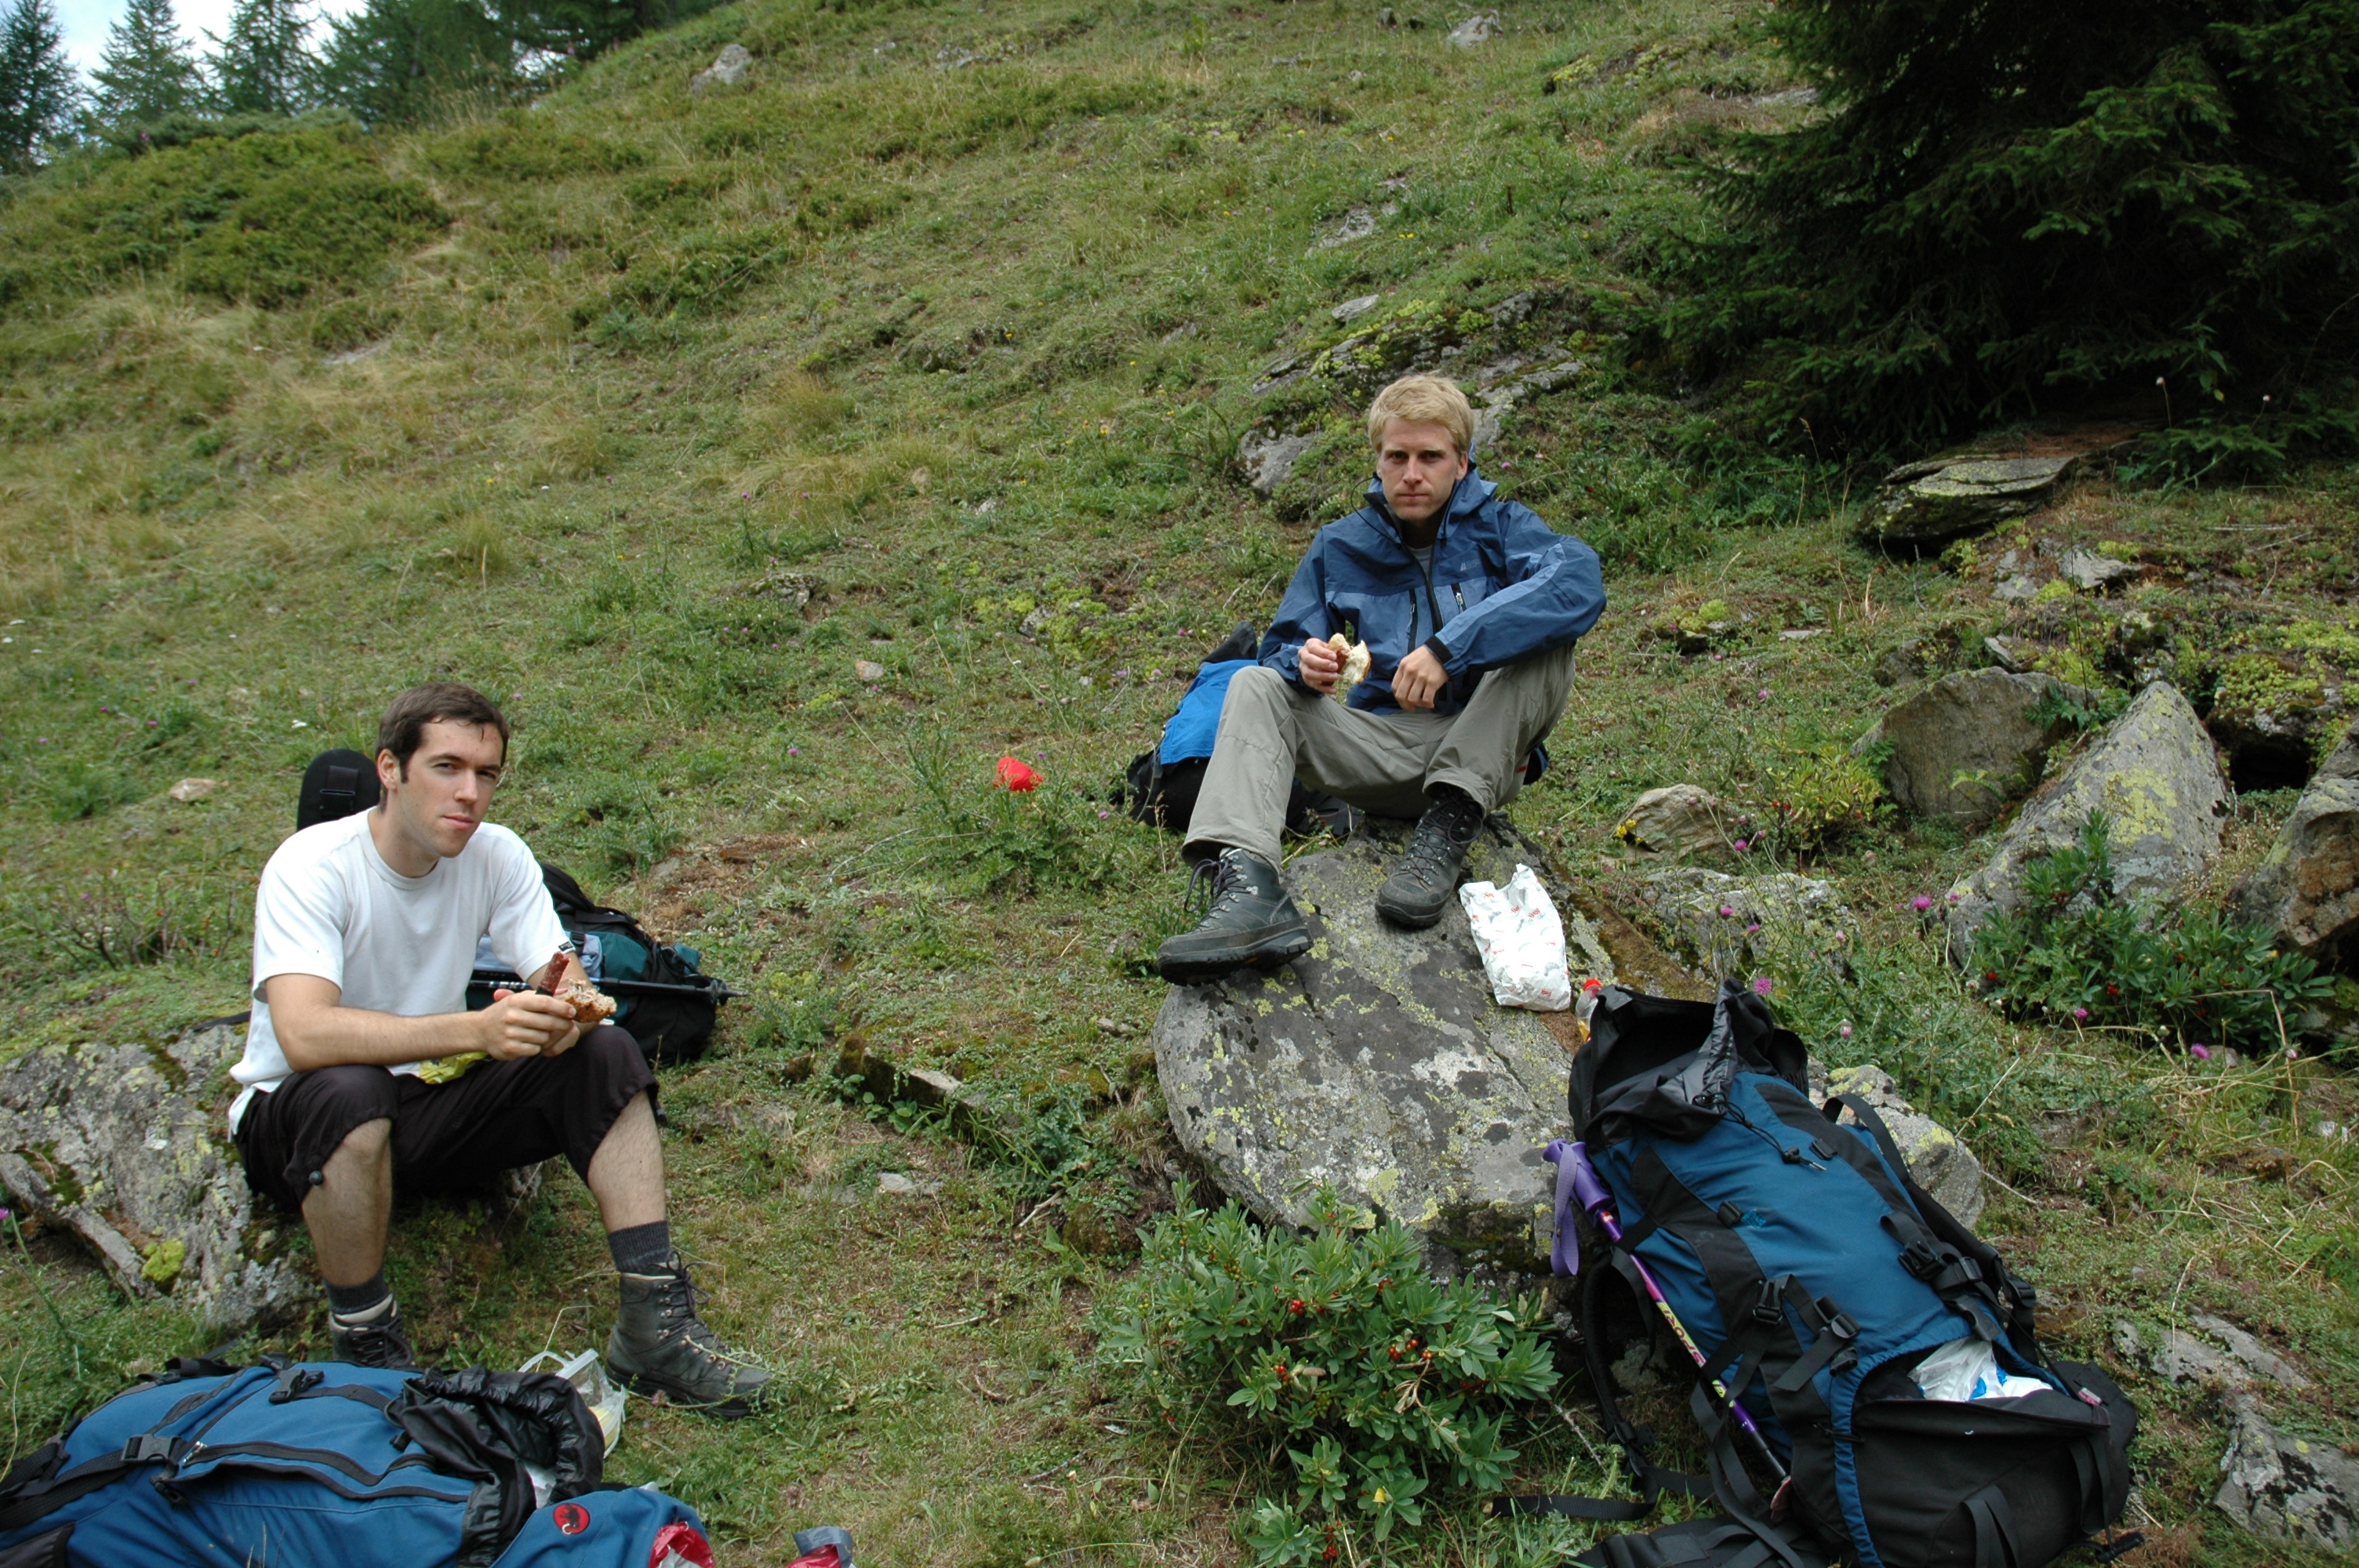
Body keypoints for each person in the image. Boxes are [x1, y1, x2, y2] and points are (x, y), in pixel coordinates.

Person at [227, 683, 770, 1416]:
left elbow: (570, 983)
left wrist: (567, 1014)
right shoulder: (312, 864)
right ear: (390, 769)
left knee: (608, 1055)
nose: (469, 793)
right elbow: (305, 1034)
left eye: (486, 774)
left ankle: (655, 1325)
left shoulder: (497, 855)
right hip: (297, 1120)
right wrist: (476, 1031)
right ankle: (366, 1342)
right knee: (352, 1088)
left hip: (422, 1102)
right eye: (447, 767)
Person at [1157, 374, 1606, 982]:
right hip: (1380, 748)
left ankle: (1448, 826)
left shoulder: (1503, 529)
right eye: (1397, 457)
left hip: (1484, 747)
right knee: (1253, 684)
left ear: (1462, 463)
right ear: (1378, 460)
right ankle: (1249, 891)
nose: (1412, 474)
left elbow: (1576, 583)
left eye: (1430, 457)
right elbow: (1280, 646)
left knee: (1546, 640)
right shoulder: (1341, 546)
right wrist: (1301, 662)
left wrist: (1450, 648)